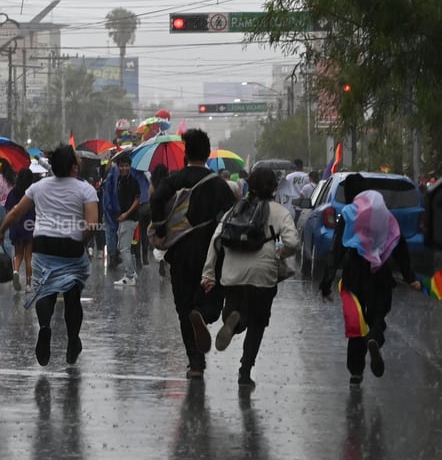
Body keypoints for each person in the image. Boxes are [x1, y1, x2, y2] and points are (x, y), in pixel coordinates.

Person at [0, 144, 98, 366]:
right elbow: (91, 225)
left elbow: (15, 212)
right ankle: (72, 342)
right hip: (72, 245)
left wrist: (1, 231)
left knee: (45, 291)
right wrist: (82, 243)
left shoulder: (38, 187)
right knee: (72, 297)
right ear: (74, 167)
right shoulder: (86, 189)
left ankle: (44, 327)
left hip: (43, 244)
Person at [319, 173, 422, 387]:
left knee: (356, 324)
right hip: (379, 274)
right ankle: (374, 337)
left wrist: (327, 282)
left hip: (353, 275)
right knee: (377, 315)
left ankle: (355, 373)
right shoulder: (384, 215)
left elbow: (336, 250)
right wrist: (410, 277)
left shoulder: (347, 214)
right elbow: (398, 245)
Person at [150, 128, 237, 379]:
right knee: (211, 298)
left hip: (180, 252)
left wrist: (160, 229)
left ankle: (196, 363)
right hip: (212, 254)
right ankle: (204, 313)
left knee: (183, 307)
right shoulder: (220, 185)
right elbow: (232, 217)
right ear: (207, 154)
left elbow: (156, 201)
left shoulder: (174, 180)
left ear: (185, 154)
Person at [201, 168, 299, 387]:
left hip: (232, 273)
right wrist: (278, 253)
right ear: (274, 187)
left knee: (235, 310)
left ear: (249, 185)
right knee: (257, 324)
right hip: (263, 275)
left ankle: (233, 320)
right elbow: (292, 243)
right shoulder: (279, 211)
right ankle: (245, 372)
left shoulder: (236, 209)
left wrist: (208, 274)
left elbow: (216, 240)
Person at [5, 167, 36, 292]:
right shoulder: (32, 192)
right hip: (30, 225)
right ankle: (28, 285)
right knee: (29, 257)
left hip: (17, 225)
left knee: (18, 254)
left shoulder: (13, 192)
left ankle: (16, 270)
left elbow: (8, 210)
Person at [113, 154, 140, 286]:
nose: (124, 168)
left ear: (130, 166)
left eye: (126, 165)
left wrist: (126, 213)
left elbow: (137, 199)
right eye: (122, 165)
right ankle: (131, 271)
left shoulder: (133, 181)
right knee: (121, 246)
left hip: (130, 218)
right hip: (123, 218)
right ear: (118, 167)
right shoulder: (119, 179)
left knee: (124, 249)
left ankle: (129, 277)